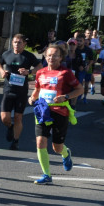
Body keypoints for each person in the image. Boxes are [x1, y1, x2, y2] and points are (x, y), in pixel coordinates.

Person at [29, 43, 83, 184]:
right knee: (40, 142)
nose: (51, 58)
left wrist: (65, 97)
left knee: (57, 147)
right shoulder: (40, 72)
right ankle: (46, 174)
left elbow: (80, 89)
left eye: (55, 55)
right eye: (49, 55)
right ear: (45, 57)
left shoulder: (66, 73)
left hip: (60, 112)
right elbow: (37, 89)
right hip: (43, 111)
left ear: (60, 58)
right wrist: (32, 97)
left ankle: (65, 153)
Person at [0, 34, 38, 150]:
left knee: (18, 117)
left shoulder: (28, 56)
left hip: (21, 92)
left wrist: (29, 72)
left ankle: (15, 141)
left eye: (19, 42)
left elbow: (40, 66)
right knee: (4, 118)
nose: (17, 44)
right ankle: (10, 127)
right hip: (8, 90)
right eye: (15, 42)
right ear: (12, 43)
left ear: (24, 44)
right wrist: (2, 71)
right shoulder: (6, 54)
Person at [69, 31, 95, 104]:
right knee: (73, 83)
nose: (79, 42)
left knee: (82, 83)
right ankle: (73, 97)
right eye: (78, 40)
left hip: (83, 68)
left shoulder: (88, 50)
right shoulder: (74, 48)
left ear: (84, 41)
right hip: (74, 68)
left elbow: (91, 60)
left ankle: (81, 97)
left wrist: (88, 66)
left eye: (81, 41)